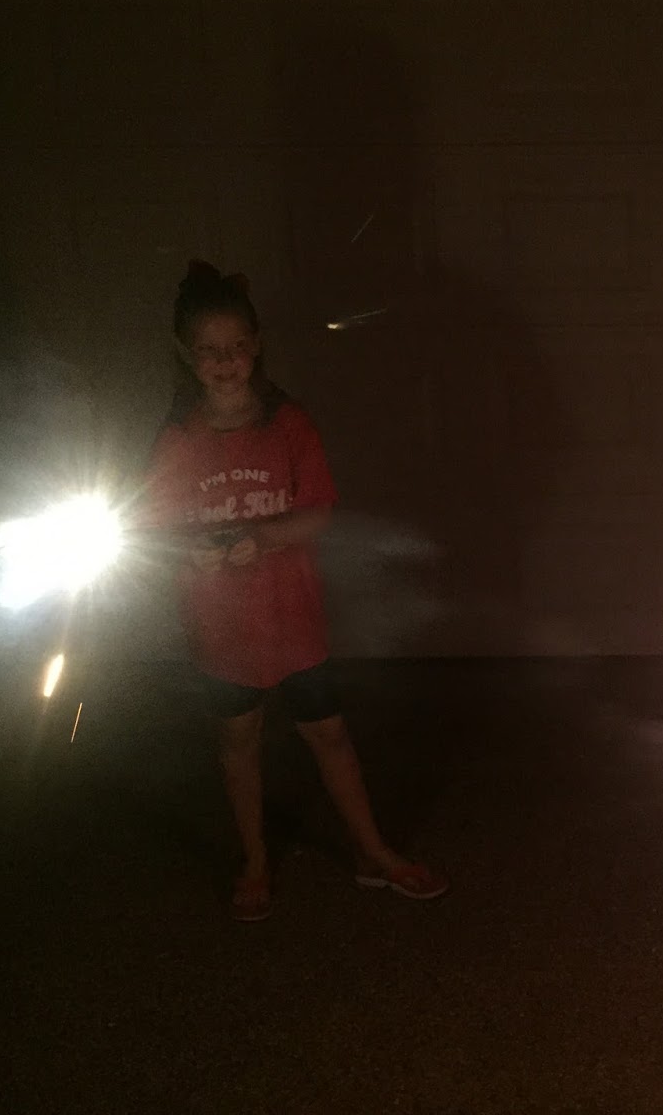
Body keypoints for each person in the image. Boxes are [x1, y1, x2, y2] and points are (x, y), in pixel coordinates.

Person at [144, 260, 446, 920]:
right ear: (187, 355)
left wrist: (266, 536)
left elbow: (318, 512)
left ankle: (372, 851)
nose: (226, 362)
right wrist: (188, 548)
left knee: (330, 735)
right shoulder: (178, 440)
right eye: (209, 351)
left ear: (256, 346)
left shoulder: (288, 425)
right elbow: (152, 528)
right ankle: (255, 861)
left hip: (292, 621)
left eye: (237, 347)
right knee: (239, 743)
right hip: (222, 630)